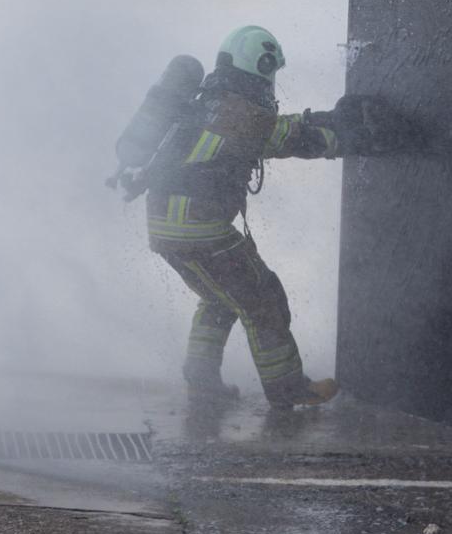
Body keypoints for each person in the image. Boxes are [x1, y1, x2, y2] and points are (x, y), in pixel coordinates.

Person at [143, 26, 341, 409]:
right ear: (261, 64)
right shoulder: (242, 112)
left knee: (219, 298)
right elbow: (291, 138)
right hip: (200, 229)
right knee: (262, 299)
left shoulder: (205, 102)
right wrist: (347, 136)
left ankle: (201, 382)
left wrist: (318, 118)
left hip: (164, 226)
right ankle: (288, 389)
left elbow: (268, 131)